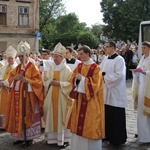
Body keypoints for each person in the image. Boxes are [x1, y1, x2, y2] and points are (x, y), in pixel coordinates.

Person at [5, 41, 44, 148]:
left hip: (28, 98)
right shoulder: (17, 68)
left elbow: (39, 82)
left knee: (27, 115)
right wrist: (14, 78)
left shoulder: (33, 67)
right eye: (20, 56)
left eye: (23, 56)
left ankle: (29, 137)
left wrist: (29, 82)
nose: (21, 58)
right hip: (17, 97)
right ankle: (20, 137)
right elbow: (10, 79)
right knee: (19, 115)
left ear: (27, 56)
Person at [68, 45, 105, 150]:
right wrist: (77, 80)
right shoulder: (79, 66)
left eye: (81, 54)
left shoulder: (96, 67)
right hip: (80, 100)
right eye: (78, 54)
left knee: (90, 123)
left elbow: (96, 85)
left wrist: (83, 79)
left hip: (91, 101)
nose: (79, 56)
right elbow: (72, 78)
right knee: (79, 124)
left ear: (88, 54)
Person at [43, 42, 74, 148]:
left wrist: (59, 84)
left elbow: (71, 84)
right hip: (51, 97)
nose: (54, 59)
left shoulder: (67, 69)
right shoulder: (51, 68)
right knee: (50, 115)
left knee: (62, 117)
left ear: (62, 57)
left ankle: (62, 139)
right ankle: (51, 139)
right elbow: (45, 80)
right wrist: (50, 82)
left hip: (62, 98)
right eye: (54, 56)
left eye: (56, 57)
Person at [100, 40, 127, 146]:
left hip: (115, 92)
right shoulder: (106, 59)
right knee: (108, 114)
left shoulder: (120, 59)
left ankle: (118, 138)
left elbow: (119, 75)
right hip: (106, 91)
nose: (105, 49)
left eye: (107, 47)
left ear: (113, 47)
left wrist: (105, 77)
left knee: (116, 116)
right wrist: (101, 76)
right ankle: (108, 135)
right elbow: (100, 70)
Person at [132, 41, 150, 143]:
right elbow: (140, 68)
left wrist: (145, 72)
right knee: (141, 111)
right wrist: (136, 71)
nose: (142, 50)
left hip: (148, 88)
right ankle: (142, 135)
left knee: (147, 112)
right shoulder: (142, 58)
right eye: (142, 48)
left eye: (144, 48)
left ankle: (148, 136)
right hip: (141, 86)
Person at [0, 46, 18, 129]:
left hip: (10, 90)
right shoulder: (3, 67)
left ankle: (8, 124)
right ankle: (2, 124)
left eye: (12, 58)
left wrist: (4, 83)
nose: (10, 60)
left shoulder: (16, 67)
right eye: (9, 58)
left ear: (14, 58)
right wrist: (1, 82)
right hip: (3, 90)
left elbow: (13, 78)